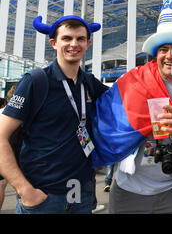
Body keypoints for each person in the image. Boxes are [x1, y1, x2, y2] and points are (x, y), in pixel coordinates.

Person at [91, 0, 172, 214]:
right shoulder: (133, 80)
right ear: (156, 53)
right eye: (164, 49)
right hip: (127, 191)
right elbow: (106, 120)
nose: (170, 56)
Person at [0, 15, 108, 214]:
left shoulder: (89, 82)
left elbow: (124, 99)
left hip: (81, 192)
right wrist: (25, 190)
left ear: (88, 43)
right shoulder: (35, 81)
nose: (74, 44)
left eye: (80, 39)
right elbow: (1, 137)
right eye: (66, 38)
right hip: (42, 196)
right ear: (54, 43)